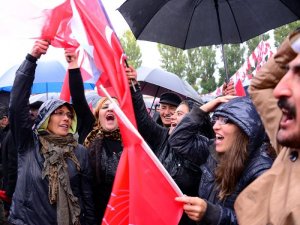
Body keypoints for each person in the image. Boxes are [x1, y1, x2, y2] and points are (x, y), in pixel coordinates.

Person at [8, 40, 96, 225]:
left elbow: (86, 198)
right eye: (58, 113)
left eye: (69, 115)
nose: (66, 118)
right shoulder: (29, 144)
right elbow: (17, 104)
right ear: (45, 118)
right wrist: (31, 59)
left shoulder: (79, 152)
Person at [127, 66, 214, 225]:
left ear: (192, 122)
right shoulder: (162, 136)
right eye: (173, 112)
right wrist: (133, 86)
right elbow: (142, 120)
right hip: (156, 215)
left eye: (179, 113)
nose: (171, 116)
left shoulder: (203, 149)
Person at [234, 29, 300, 224]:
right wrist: (297, 41)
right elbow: (261, 86)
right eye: (287, 72)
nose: (279, 90)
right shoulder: (291, 147)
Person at [175, 96, 273, 224]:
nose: (215, 126)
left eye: (225, 120)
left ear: (245, 127)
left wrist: (211, 213)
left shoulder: (262, 172)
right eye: (216, 119)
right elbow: (178, 139)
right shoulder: (212, 150)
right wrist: (206, 108)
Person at [66, 49, 123, 223]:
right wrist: (73, 66)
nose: (110, 109)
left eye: (115, 106)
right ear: (98, 114)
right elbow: (78, 98)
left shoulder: (130, 141)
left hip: (120, 211)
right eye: (105, 107)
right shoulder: (89, 130)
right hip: (91, 211)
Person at [1, 100, 43, 220]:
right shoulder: (14, 135)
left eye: (35, 110)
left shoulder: (15, 134)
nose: (32, 113)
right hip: (16, 190)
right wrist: (9, 191)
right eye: (31, 110)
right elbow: (13, 165)